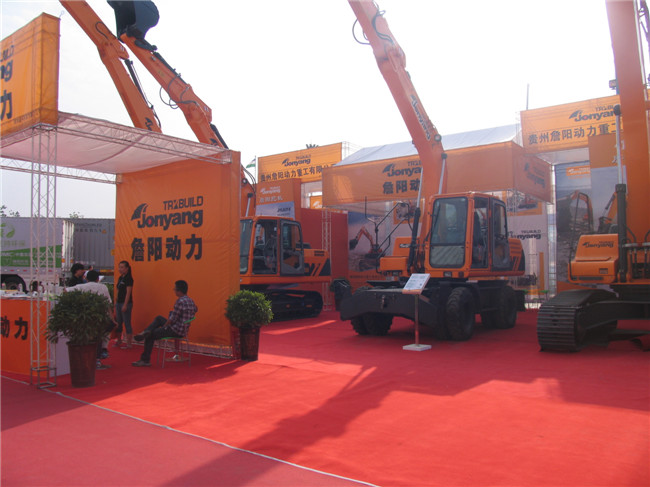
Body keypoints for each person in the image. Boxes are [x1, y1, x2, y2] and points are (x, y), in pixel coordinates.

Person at [132, 280, 197, 367]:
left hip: (175, 330)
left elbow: (172, 319)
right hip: (183, 329)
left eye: (175, 289)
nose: (174, 290)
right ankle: (145, 332)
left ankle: (145, 360)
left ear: (179, 290)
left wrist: (165, 326)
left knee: (150, 335)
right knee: (159, 318)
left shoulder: (179, 301)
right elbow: (195, 310)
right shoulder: (191, 301)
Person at [67, 270, 116, 370]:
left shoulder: (81, 287)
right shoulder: (103, 287)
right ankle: (99, 357)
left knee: (89, 340)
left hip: (85, 318)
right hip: (100, 317)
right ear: (98, 279)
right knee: (99, 337)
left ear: (86, 278)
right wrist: (112, 319)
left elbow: (66, 291)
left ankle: (89, 360)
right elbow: (108, 304)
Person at [114, 260, 134, 348]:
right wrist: (116, 301)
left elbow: (128, 293)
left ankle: (129, 343)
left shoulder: (129, 279)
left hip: (126, 303)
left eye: (122, 267)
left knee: (127, 322)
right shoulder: (120, 278)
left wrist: (125, 304)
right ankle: (119, 340)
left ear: (127, 268)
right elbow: (118, 290)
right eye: (119, 267)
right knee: (119, 322)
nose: (120, 269)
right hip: (118, 303)